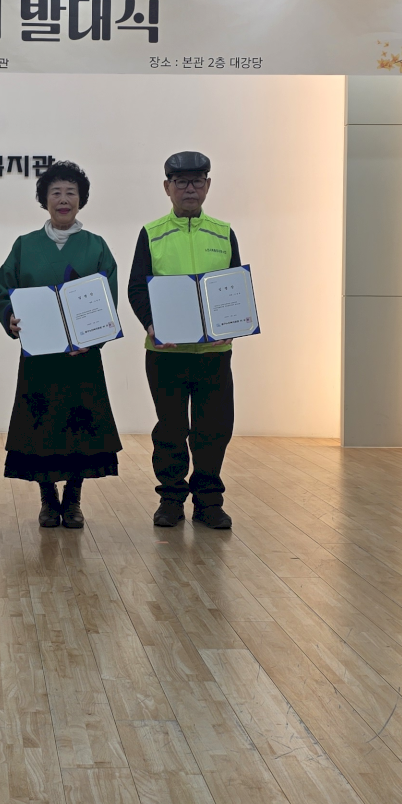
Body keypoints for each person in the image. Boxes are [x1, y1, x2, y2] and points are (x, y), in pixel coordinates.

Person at [0, 160, 122, 530]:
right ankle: (48, 499)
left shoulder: (96, 246)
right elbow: (4, 293)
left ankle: (74, 499)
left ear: (81, 199)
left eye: (70, 192)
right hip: (40, 357)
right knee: (42, 428)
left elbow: (108, 301)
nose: (63, 199)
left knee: (80, 428)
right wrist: (9, 317)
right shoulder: (25, 245)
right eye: (56, 192)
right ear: (44, 199)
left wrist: (93, 339)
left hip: (82, 358)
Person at [126, 151, 240, 530]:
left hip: (214, 353)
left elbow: (234, 287)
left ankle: (209, 502)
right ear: (167, 187)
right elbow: (136, 288)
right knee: (171, 430)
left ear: (207, 186)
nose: (189, 188)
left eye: (197, 181)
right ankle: (171, 499)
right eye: (181, 182)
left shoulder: (223, 233)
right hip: (166, 353)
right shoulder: (151, 233)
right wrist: (151, 323)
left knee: (213, 430)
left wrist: (234, 319)